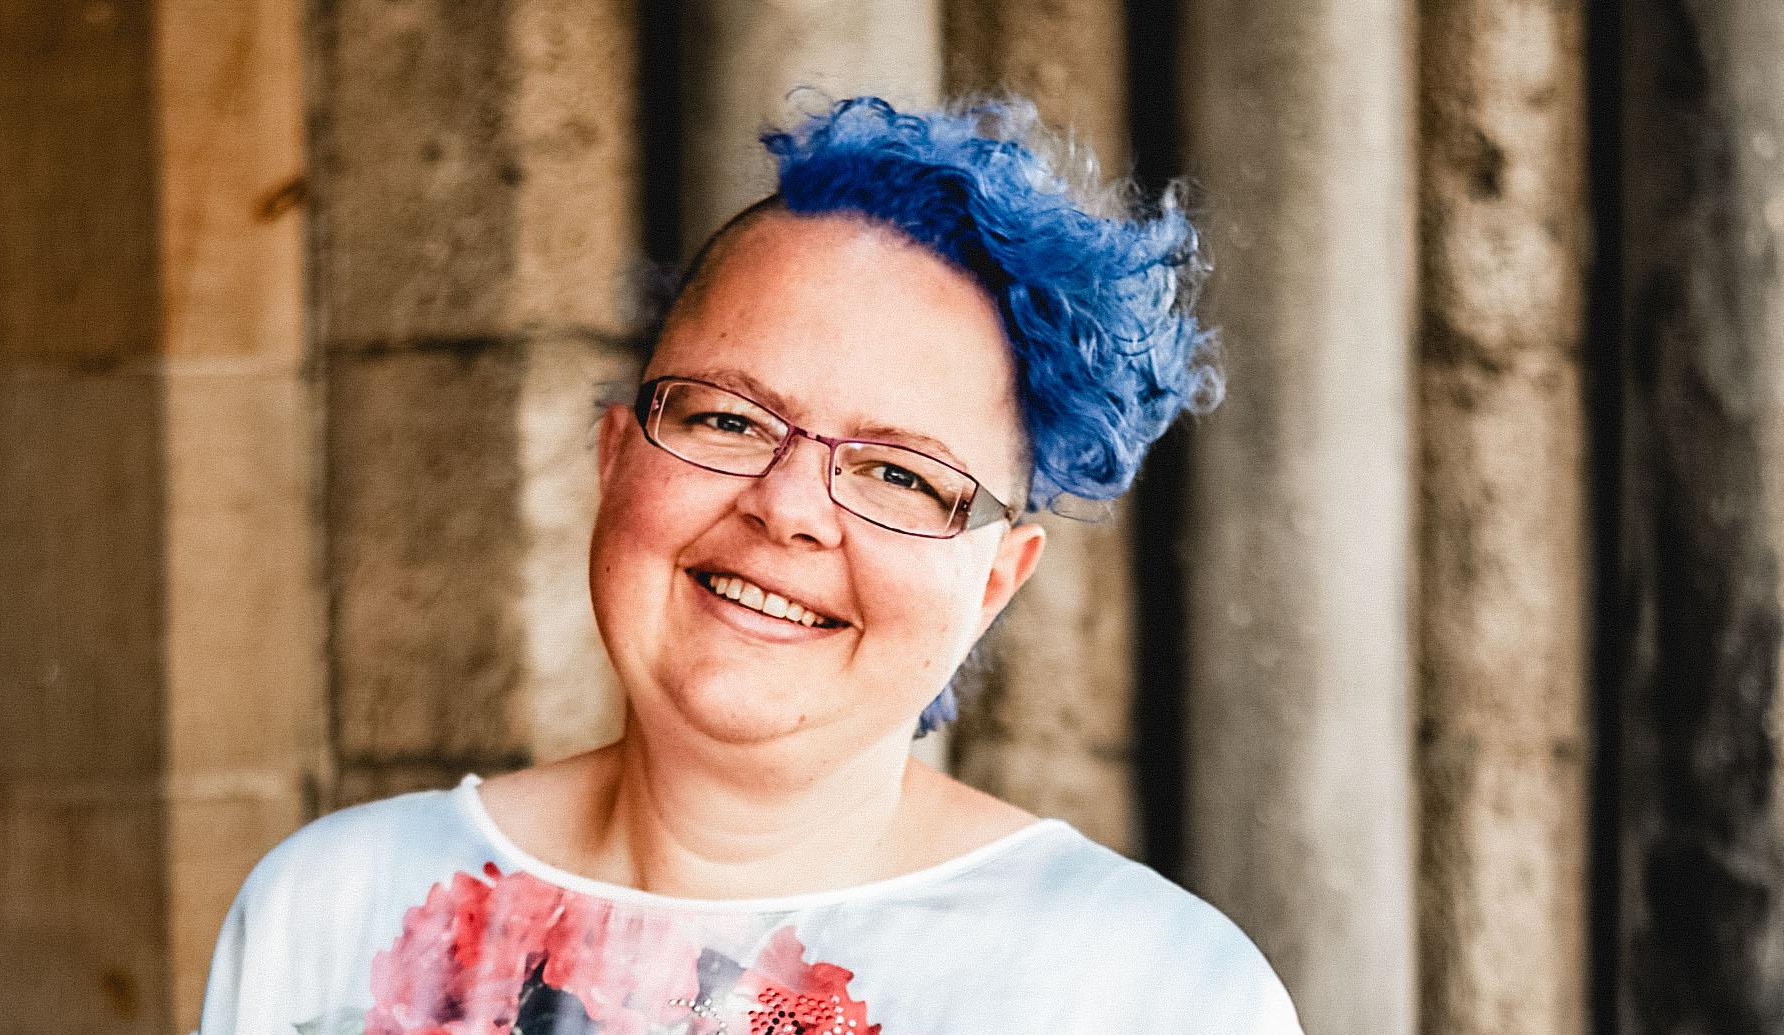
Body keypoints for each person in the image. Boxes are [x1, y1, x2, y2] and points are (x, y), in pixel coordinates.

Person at [199, 95, 1302, 1035]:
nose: (786, 509)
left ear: (995, 583)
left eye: (901, 476)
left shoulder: (1153, 994)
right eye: (729, 419)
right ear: (616, 453)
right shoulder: (331, 912)